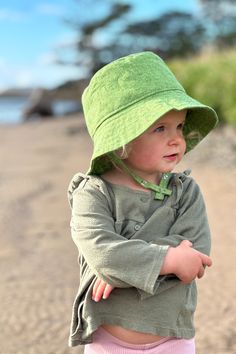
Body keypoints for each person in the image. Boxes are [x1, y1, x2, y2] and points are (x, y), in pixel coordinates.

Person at [67, 52, 218, 353]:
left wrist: (123, 267)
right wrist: (167, 259)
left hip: (173, 338)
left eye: (179, 126)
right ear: (121, 141)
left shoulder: (185, 192)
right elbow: (101, 250)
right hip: (108, 342)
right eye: (160, 128)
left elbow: (195, 252)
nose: (176, 139)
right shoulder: (93, 193)